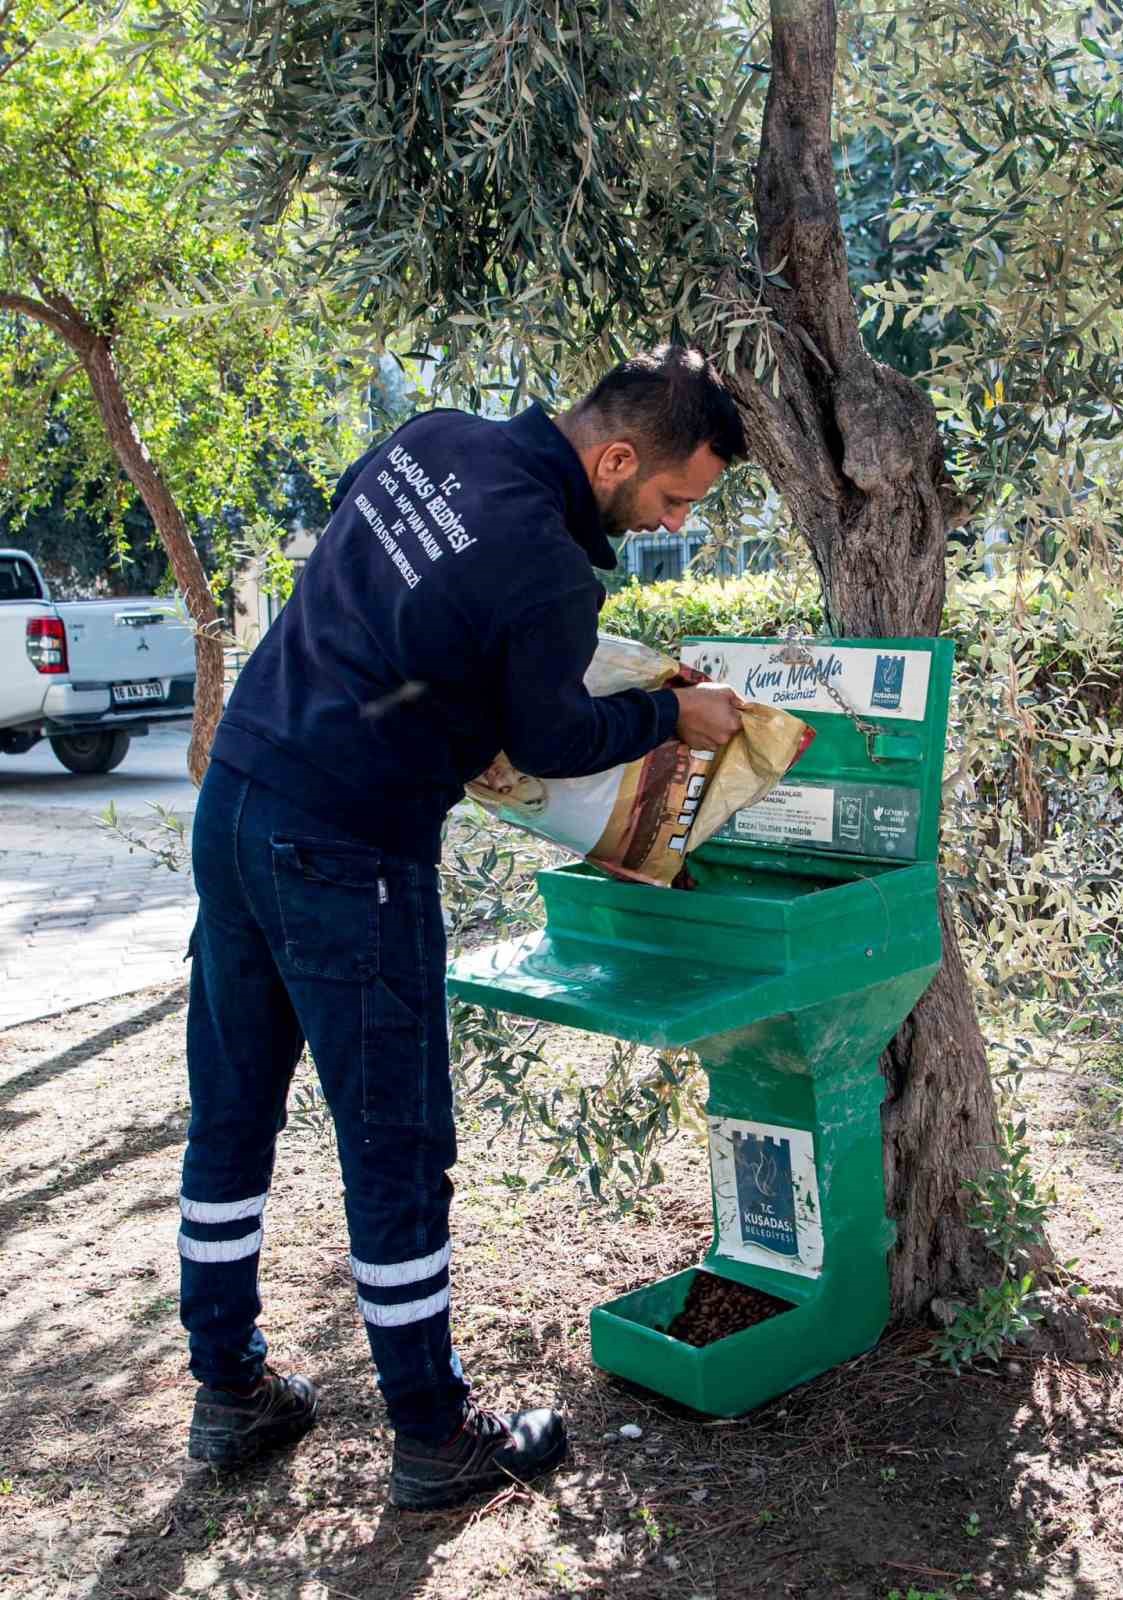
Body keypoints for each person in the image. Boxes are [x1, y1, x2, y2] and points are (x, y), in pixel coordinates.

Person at [178, 345, 746, 1511]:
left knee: (232, 1110)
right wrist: (668, 713)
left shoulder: (428, 437)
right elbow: (548, 745)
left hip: (236, 799)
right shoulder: (547, 570)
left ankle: (227, 1387)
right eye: (675, 497)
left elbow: (376, 559)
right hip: (348, 851)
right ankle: (435, 1432)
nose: (667, 519)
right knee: (396, 1146)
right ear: (617, 456)